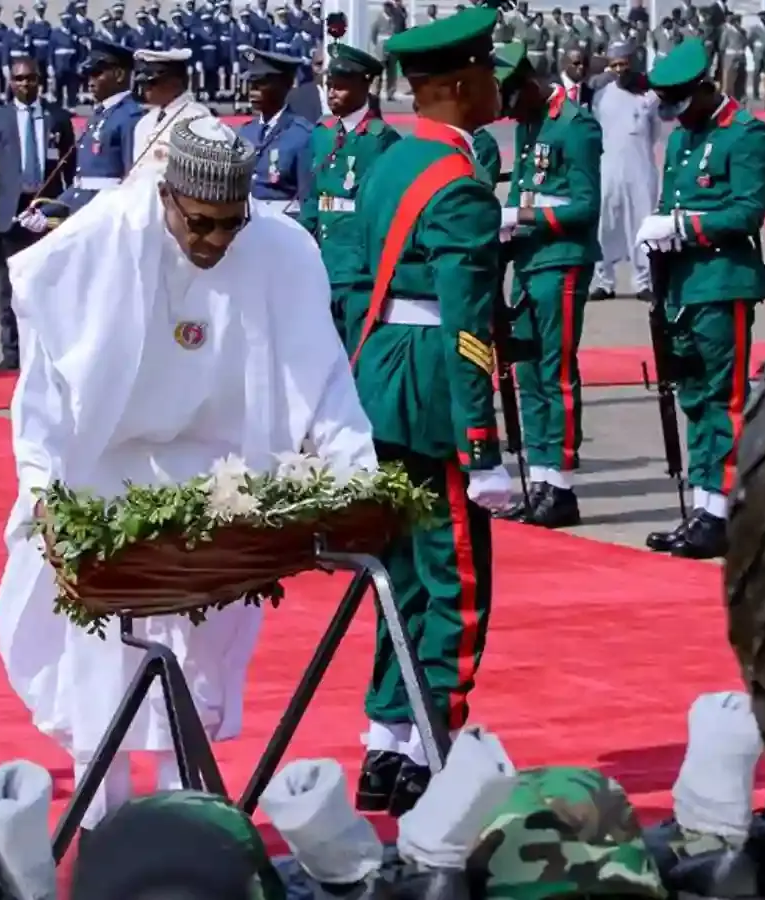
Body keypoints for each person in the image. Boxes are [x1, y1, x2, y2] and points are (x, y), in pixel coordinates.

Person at [0, 118, 376, 830]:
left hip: (220, 476)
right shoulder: (96, 242)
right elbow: (44, 387)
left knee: (195, 665)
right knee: (100, 668)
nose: (213, 243)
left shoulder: (280, 250)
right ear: (166, 195)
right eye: (199, 225)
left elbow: (321, 379)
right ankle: (105, 830)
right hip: (105, 473)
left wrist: (357, 479)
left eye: (231, 226)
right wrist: (43, 489)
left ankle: (186, 822)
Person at [349, 4, 511, 818]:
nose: (496, 82)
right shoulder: (463, 188)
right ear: (455, 83)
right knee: (455, 583)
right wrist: (482, 444)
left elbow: (349, 281)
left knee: (401, 578)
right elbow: (469, 327)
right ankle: (431, 748)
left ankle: (387, 744)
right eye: (485, 70)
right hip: (432, 395)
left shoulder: (384, 164)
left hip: (379, 381)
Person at [639, 39, 765, 561]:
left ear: (705, 88)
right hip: (680, 284)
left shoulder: (746, 136)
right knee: (694, 396)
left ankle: (723, 510)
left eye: (683, 104)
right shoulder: (684, 138)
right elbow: (667, 201)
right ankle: (703, 506)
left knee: (725, 398)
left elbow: (745, 214)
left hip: (723, 281)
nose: (677, 118)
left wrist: (681, 226)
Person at [498, 40, 602, 529]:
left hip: (561, 260)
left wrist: (521, 214)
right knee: (529, 373)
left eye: (512, 100)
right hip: (529, 259)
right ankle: (540, 477)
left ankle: (559, 484)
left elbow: (584, 206)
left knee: (554, 370)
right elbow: (527, 184)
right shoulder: (530, 123)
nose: (510, 114)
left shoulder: (575, 125)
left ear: (531, 85)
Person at [0, 54, 74, 371]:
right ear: (10, 83)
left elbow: (69, 170)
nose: (25, 84)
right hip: (10, 213)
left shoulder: (57, 118)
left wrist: (66, 212)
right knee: (10, 288)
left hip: (47, 211)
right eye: (19, 79)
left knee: (49, 284)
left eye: (30, 78)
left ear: (40, 81)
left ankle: (49, 351)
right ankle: (12, 354)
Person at [297, 42, 397, 344]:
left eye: (340, 87)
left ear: (364, 86)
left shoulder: (381, 139)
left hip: (359, 269)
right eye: (329, 86)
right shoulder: (323, 135)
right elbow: (313, 200)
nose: (331, 94)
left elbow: (383, 209)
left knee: (357, 353)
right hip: (325, 264)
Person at [590, 41, 658, 305]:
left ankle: (643, 281)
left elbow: (653, 134)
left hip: (639, 169)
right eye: (614, 65)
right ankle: (604, 282)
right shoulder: (601, 95)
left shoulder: (648, 96)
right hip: (607, 169)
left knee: (642, 225)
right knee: (605, 225)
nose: (619, 70)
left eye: (624, 65)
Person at [51, 37, 143, 215]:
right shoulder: (100, 115)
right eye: (88, 74)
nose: (90, 81)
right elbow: (82, 183)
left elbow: (133, 181)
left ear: (119, 75)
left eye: (97, 73)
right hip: (86, 213)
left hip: (108, 216)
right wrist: (46, 211)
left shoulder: (130, 117)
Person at [236, 47, 315, 219]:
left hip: (285, 225)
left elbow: (308, 199)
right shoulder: (246, 132)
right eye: (251, 83)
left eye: (261, 83)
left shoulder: (302, 135)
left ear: (285, 85)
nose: (253, 90)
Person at [129, 48, 213, 176]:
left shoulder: (197, 118)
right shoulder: (145, 121)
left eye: (152, 82)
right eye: (144, 83)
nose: (146, 88)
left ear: (175, 82)